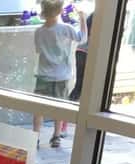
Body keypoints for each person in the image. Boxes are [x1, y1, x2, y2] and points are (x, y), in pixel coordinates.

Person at [31, 0, 87, 147]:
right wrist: (82, 18)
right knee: (60, 108)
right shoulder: (65, 28)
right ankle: (56, 136)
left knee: (38, 108)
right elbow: (82, 38)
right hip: (61, 76)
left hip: (43, 76)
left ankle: (35, 137)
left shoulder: (39, 31)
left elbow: (38, 50)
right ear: (60, 11)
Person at [68, 11, 94, 102]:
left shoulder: (94, 15)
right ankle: (70, 105)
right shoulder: (100, 17)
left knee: (80, 84)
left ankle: (71, 104)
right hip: (86, 52)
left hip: (81, 51)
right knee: (82, 85)